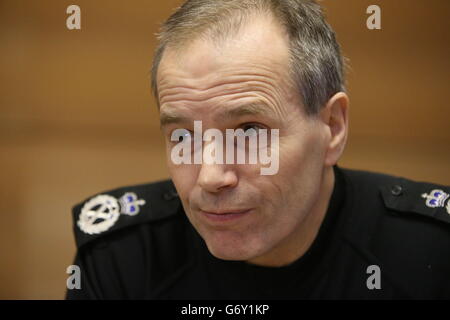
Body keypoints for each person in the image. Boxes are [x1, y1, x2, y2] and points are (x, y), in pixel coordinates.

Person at [66, 0, 450, 299]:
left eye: (249, 132)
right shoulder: (126, 257)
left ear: (332, 127)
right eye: (184, 137)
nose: (211, 177)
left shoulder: (432, 251)